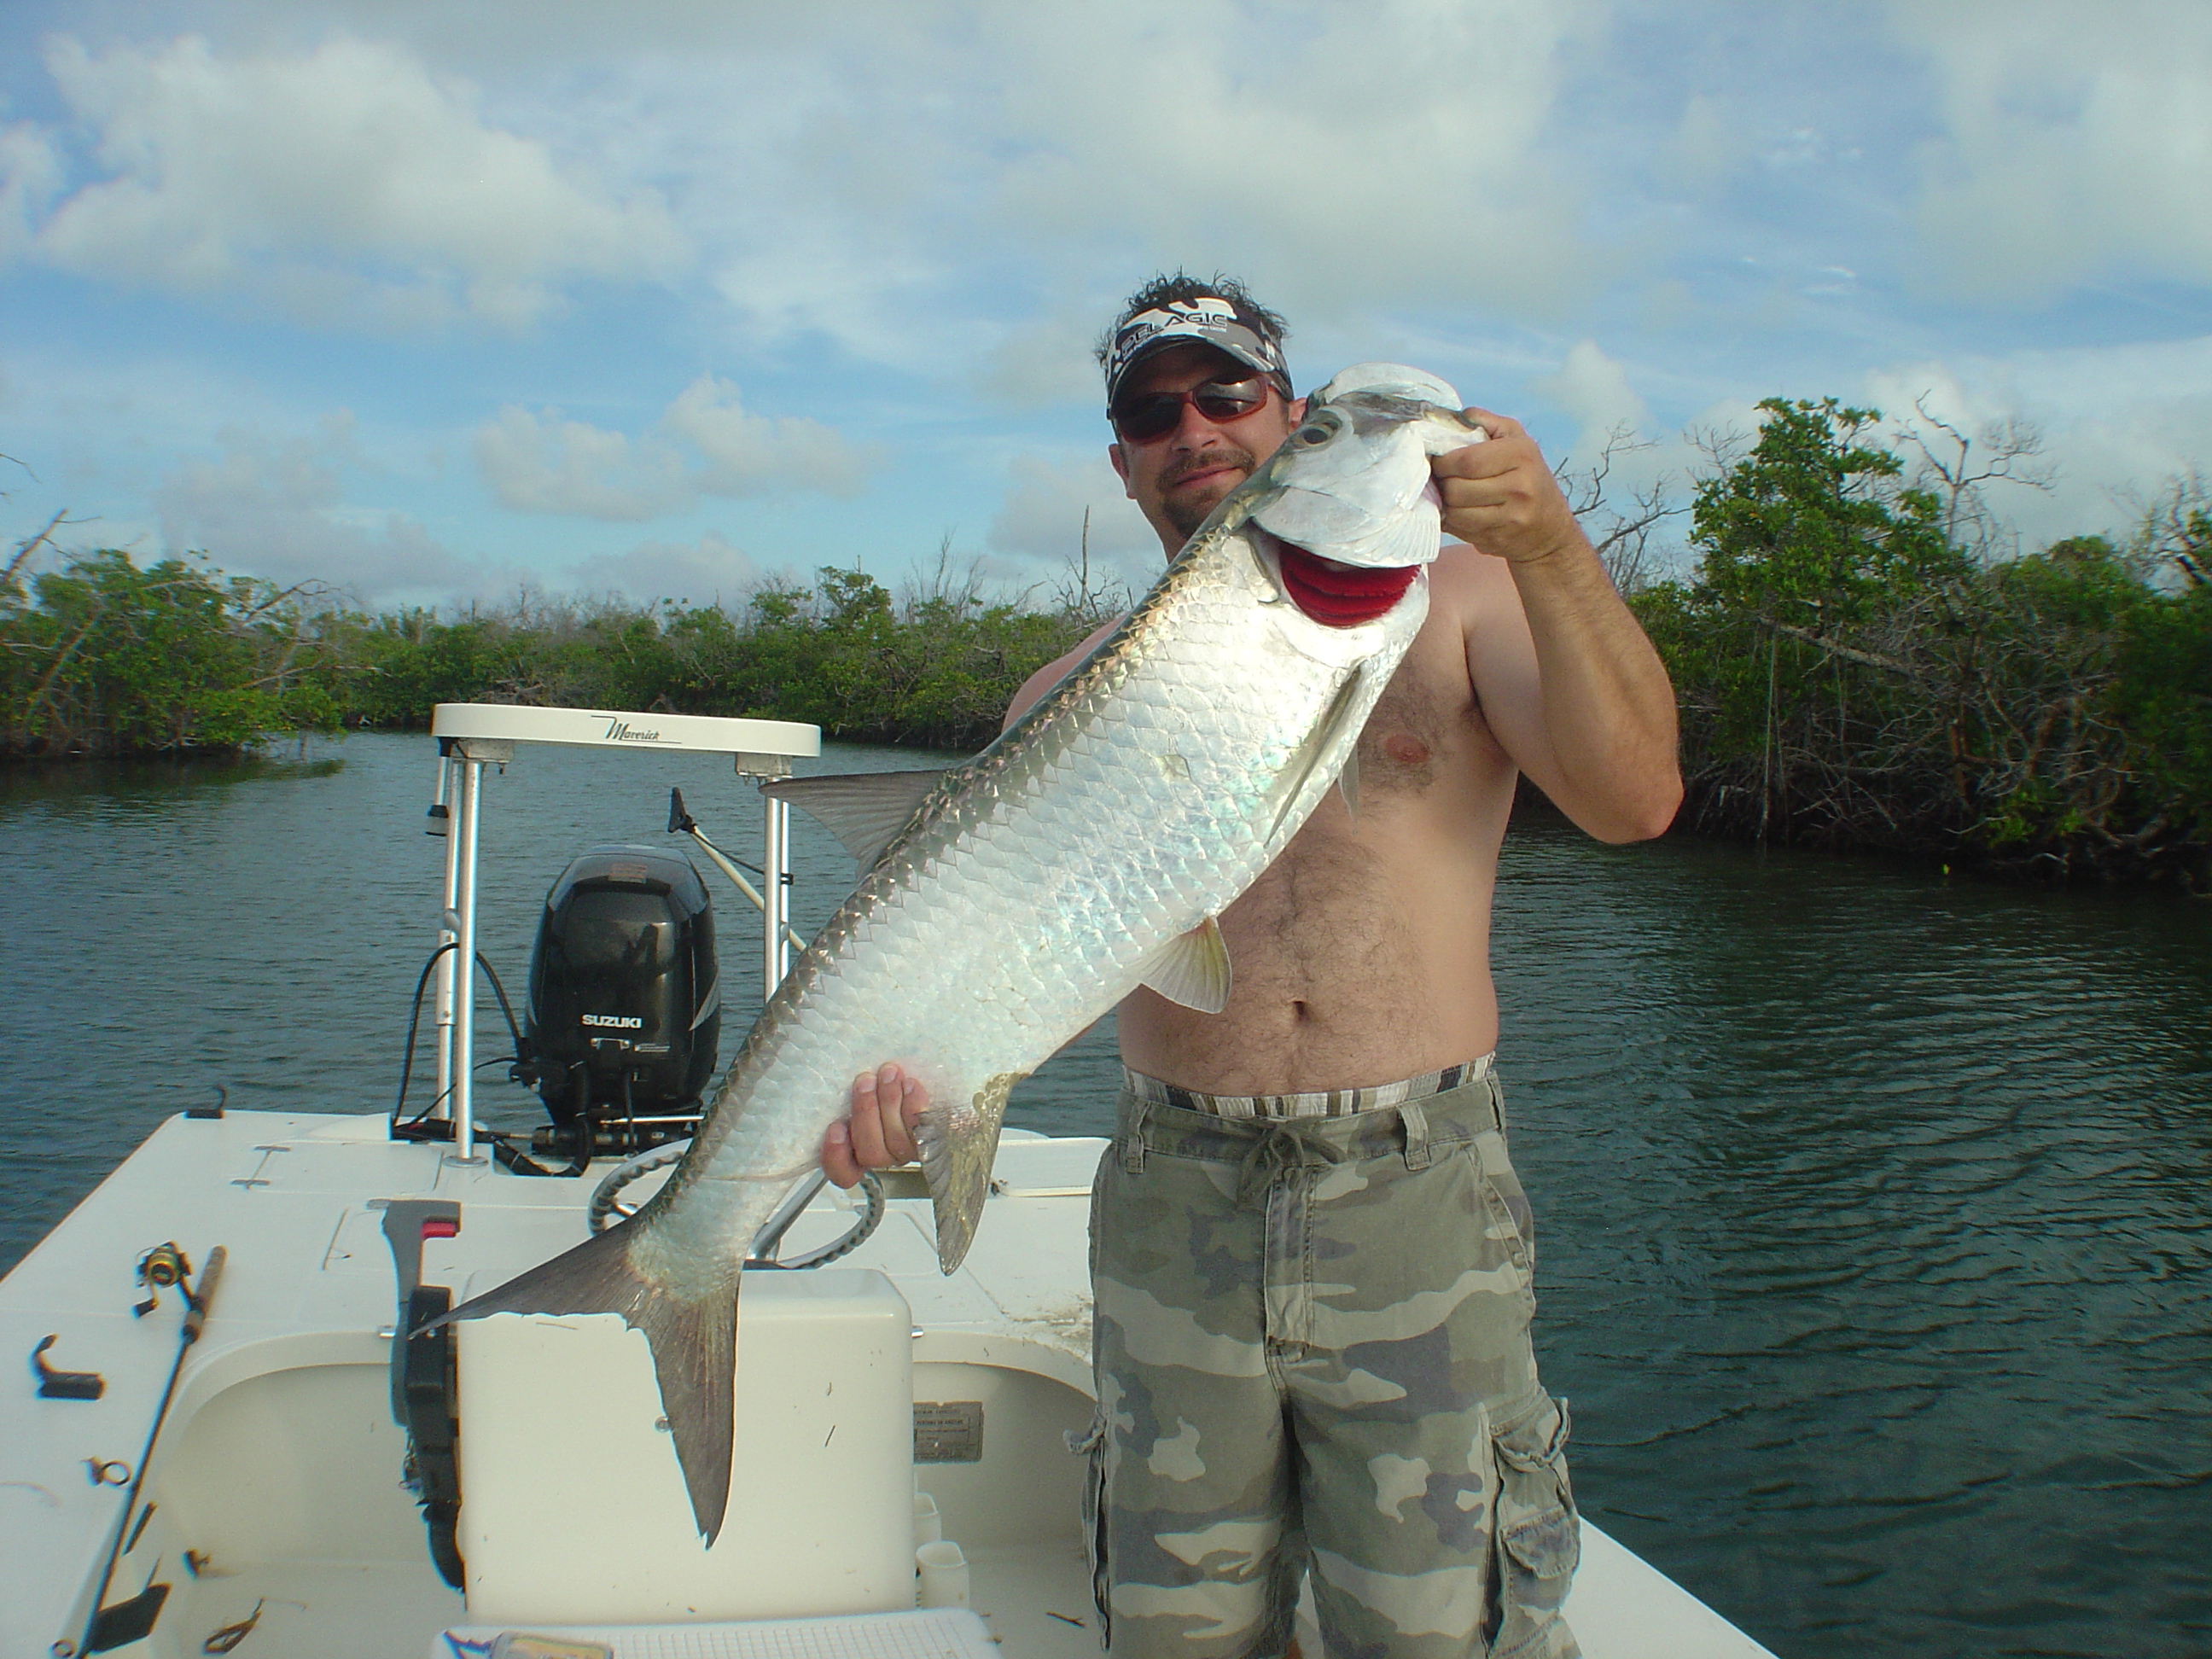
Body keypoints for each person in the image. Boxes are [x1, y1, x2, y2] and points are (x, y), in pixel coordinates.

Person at [823, 274, 1681, 1657]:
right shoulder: (1060, 699)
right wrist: (913, 1114)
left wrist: (1558, 550)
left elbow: (1637, 801)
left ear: (1285, 417)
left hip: (1414, 1186)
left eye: (1226, 392)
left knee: (1432, 1634)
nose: (1193, 426)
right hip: (1176, 1199)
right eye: (1151, 410)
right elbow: (997, 977)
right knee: (1176, 1633)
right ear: (1119, 460)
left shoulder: (1456, 601)